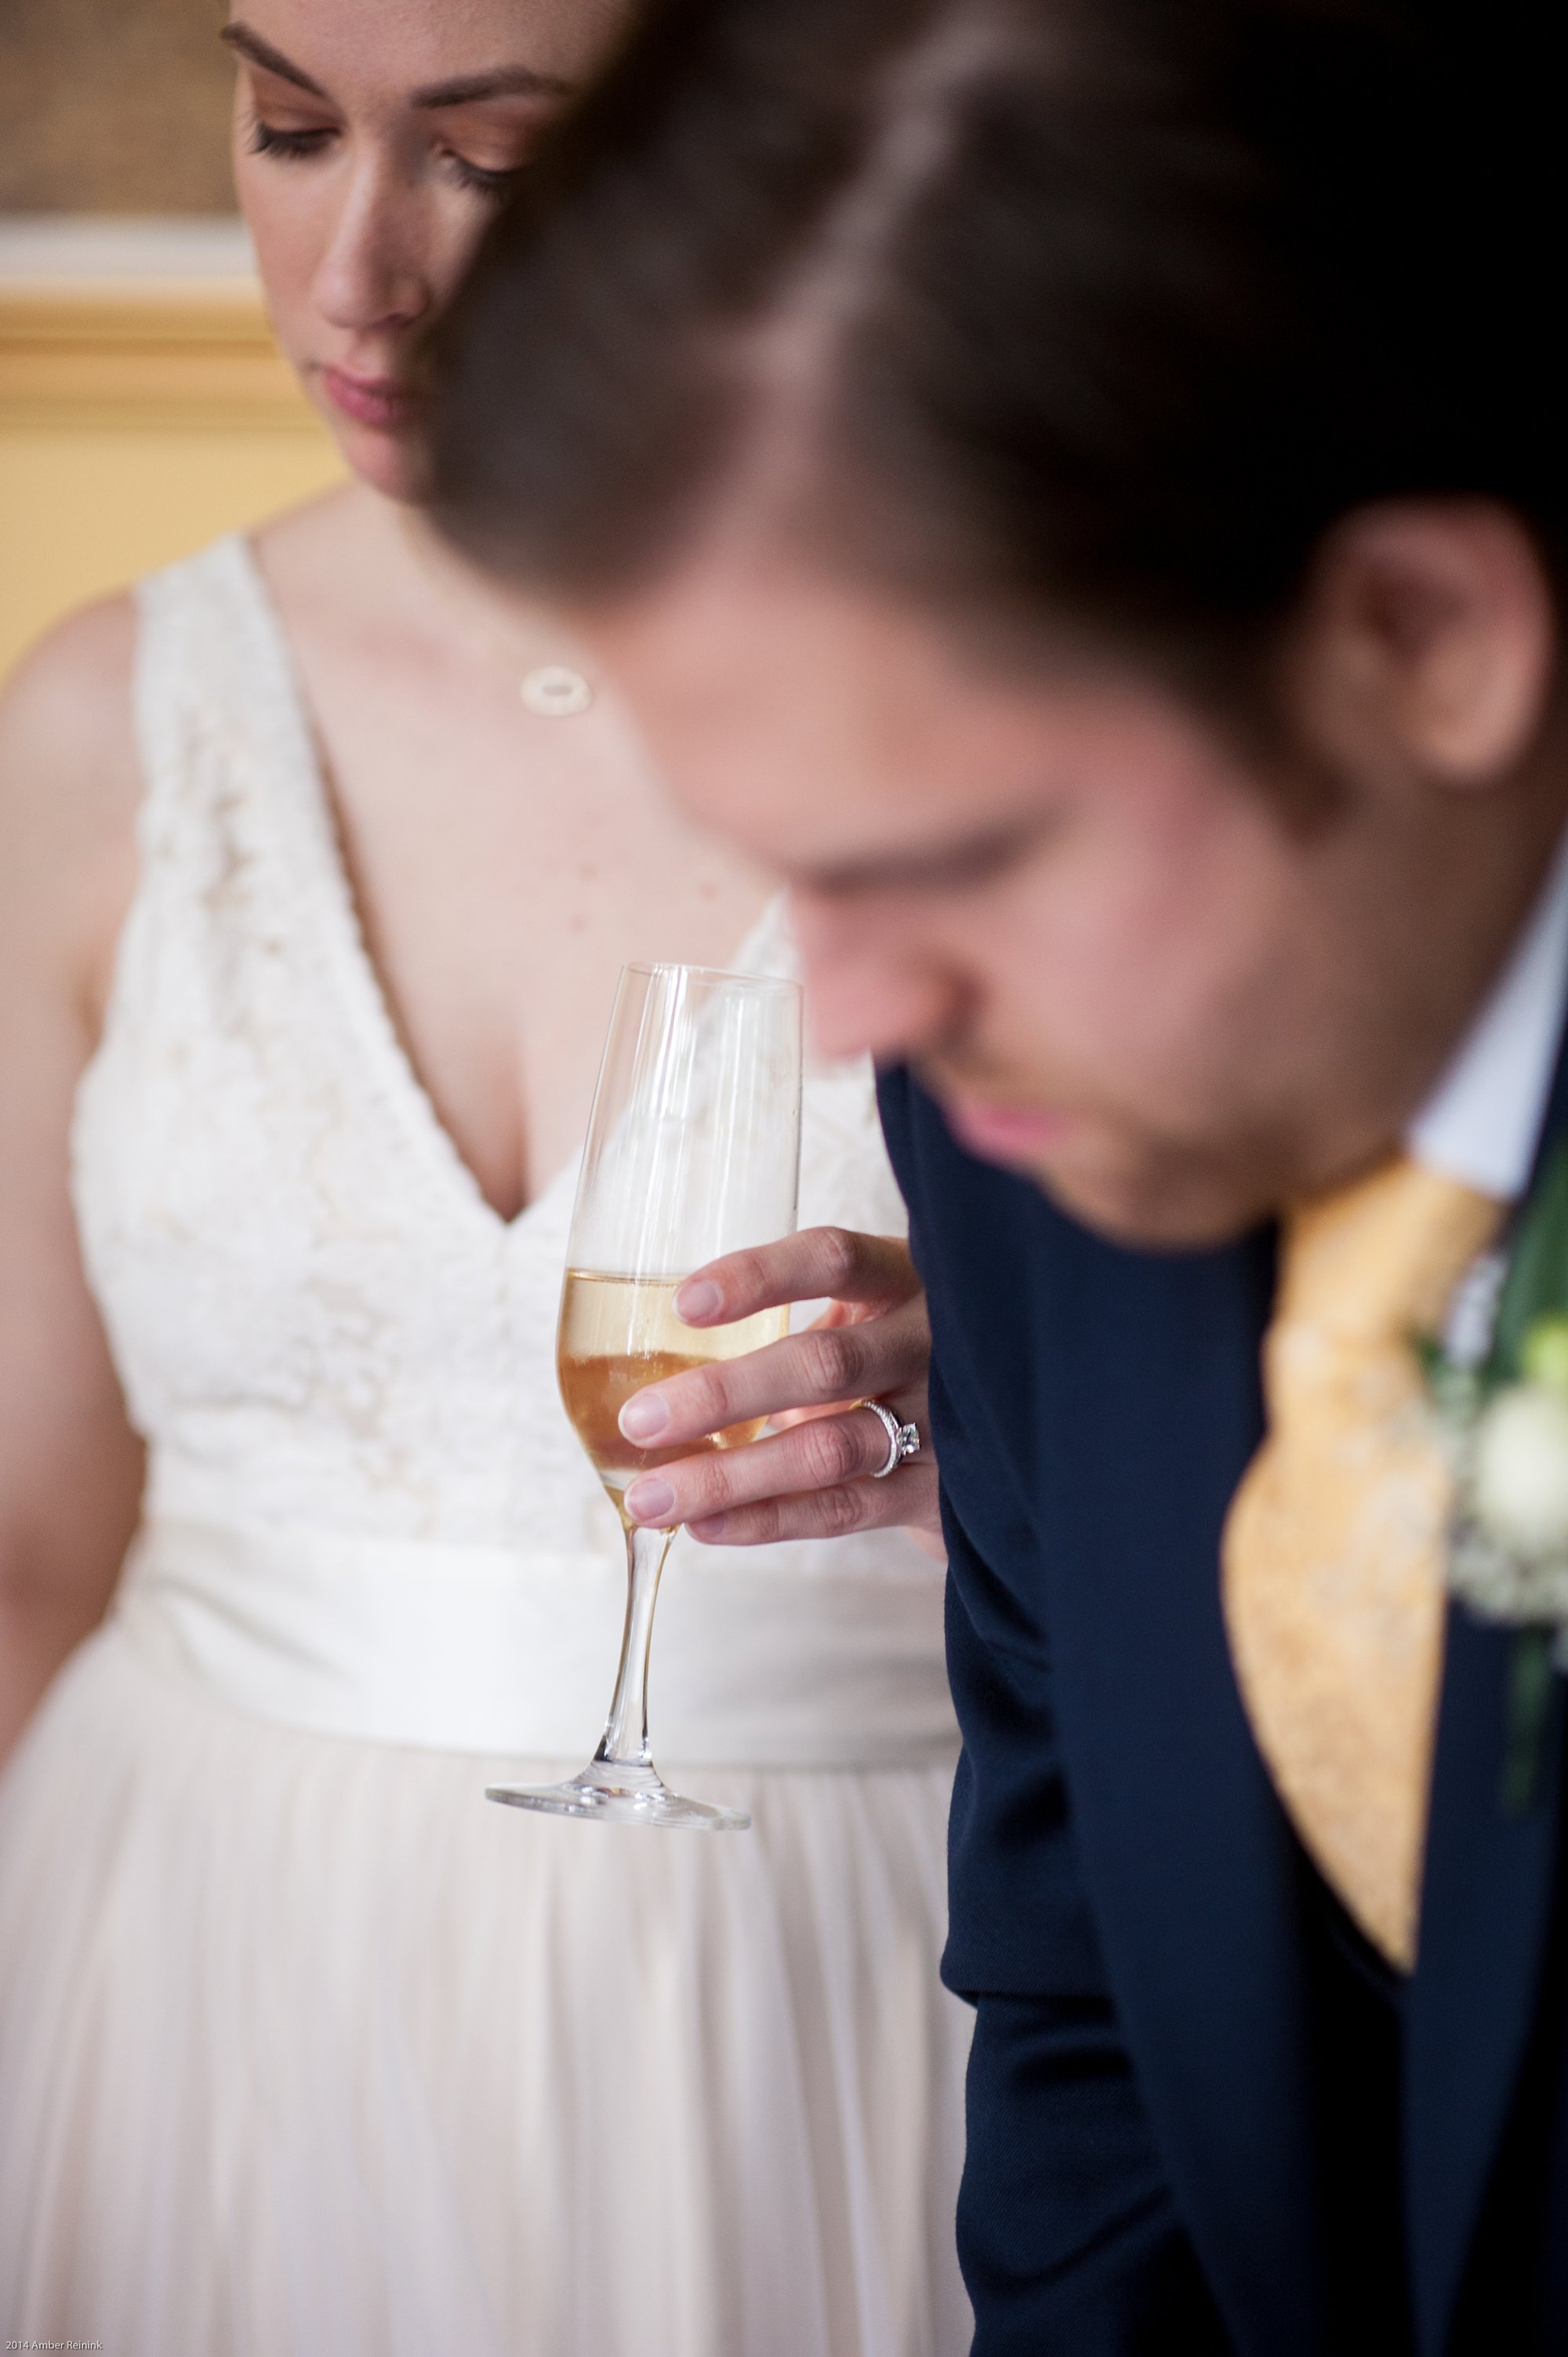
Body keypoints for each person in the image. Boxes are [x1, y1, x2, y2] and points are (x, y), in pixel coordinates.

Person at [426, 0, 1568, 2347]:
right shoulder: (1028, 1154)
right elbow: (1097, 2057)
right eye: (785, 873)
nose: (855, 1018)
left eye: (953, 856)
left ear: (1425, 643)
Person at [0, 3, 973, 2349]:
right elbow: (23, 1549)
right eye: (286, 126)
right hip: (194, 1988)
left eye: (491, 159)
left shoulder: (1020, 702)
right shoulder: (93, 723)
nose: (356, 279)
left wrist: (991, 1423)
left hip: (869, 1985)